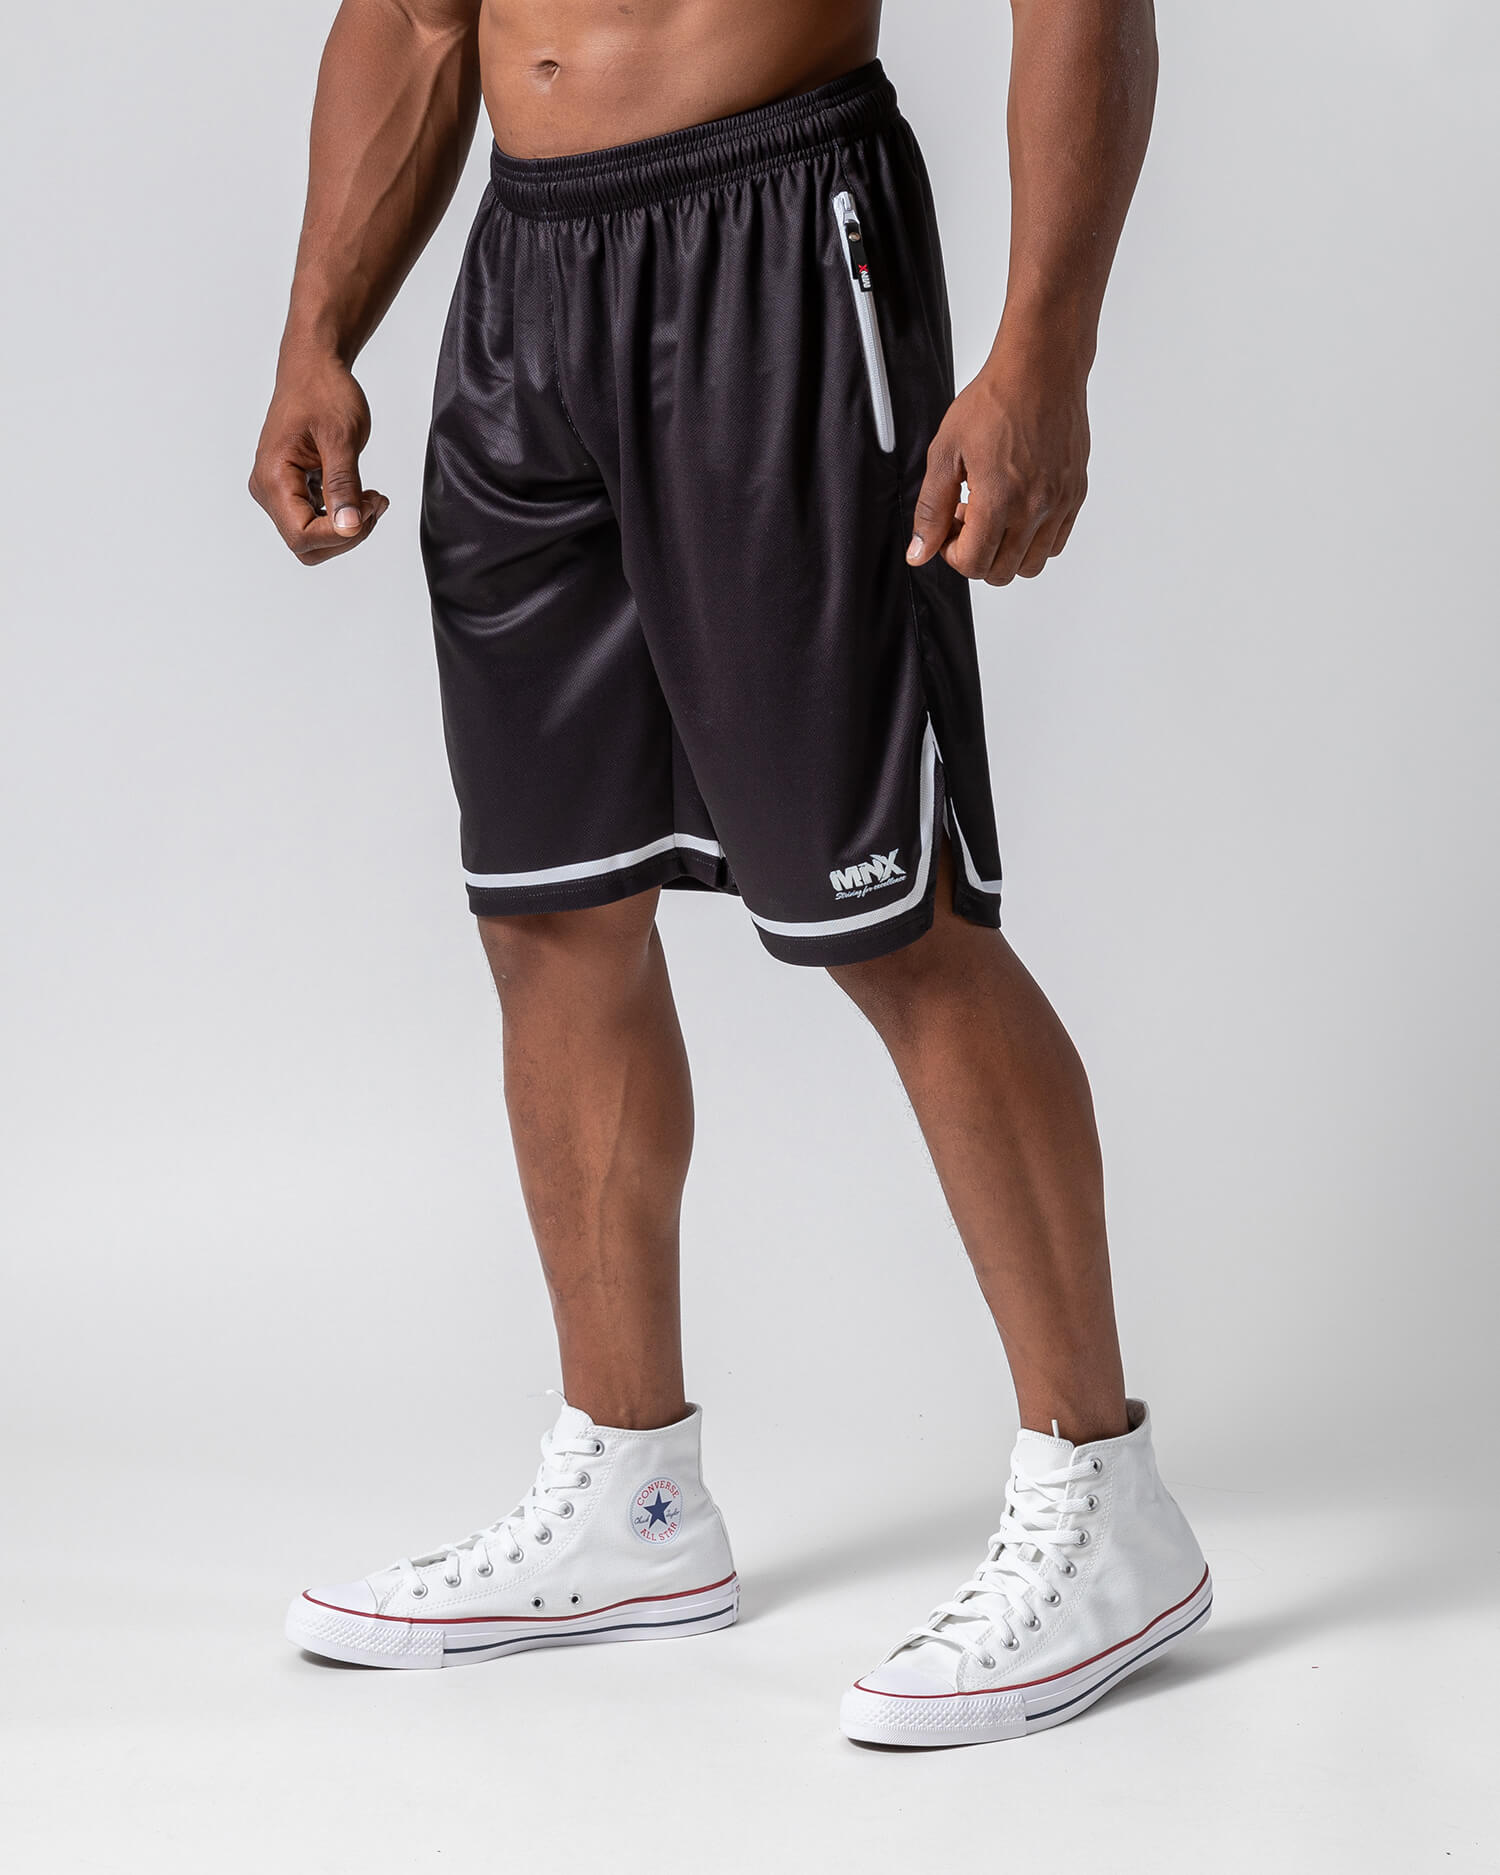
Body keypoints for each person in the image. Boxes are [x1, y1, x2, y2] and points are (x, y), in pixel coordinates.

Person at [251, 0, 1209, 1746]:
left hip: (776, 242)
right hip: (524, 285)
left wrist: (1044, 353)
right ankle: (634, 1498)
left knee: (893, 919)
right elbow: (411, 17)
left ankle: (1107, 1501)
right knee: (552, 908)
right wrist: (319, 327)